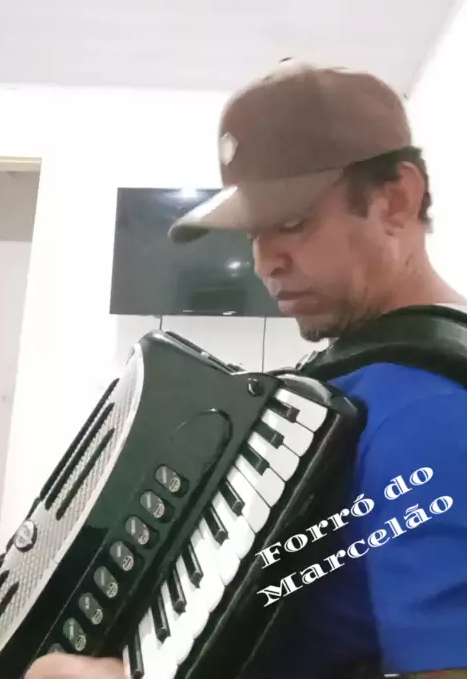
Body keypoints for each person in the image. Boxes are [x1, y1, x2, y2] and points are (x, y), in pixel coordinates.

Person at [26, 61, 467, 679]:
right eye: (253, 234)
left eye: (292, 223)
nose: (265, 263)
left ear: (396, 200)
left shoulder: (428, 413)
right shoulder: (366, 379)